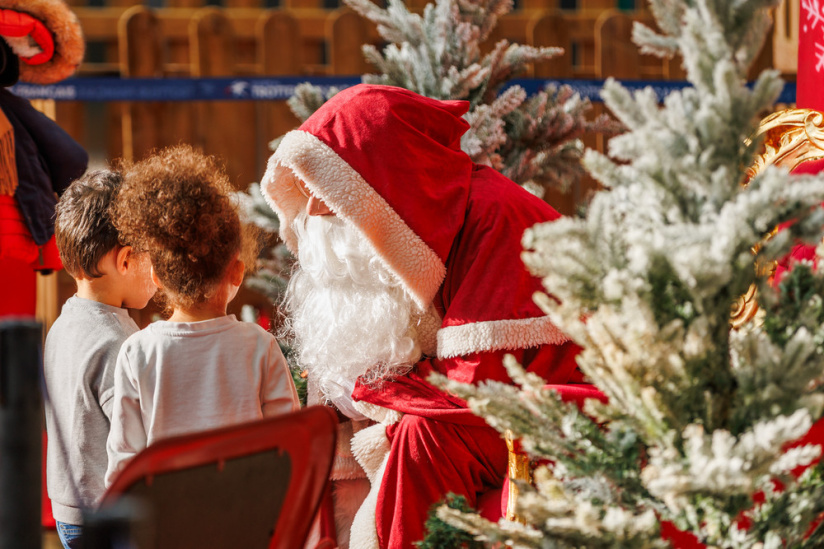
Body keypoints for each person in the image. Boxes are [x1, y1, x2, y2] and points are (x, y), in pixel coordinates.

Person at [261, 84, 581, 548]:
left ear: (375, 183)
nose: (312, 210)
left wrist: (379, 390)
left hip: (549, 400)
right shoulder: (409, 237)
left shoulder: (495, 216)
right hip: (495, 402)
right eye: (307, 192)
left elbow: (480, 384)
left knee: (426, 434)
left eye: (326, 189)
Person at [104, 145, 300, 487]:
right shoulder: (260, 346)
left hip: (168, 526)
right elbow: (291, 446)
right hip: (248, 522)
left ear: (157, 277)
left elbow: (123, 468)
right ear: (237, 272)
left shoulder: (138, 352)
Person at [44, 169, 157, 549]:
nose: (158, 273)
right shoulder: (119, 343)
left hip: (68, 510)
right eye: (152, 257)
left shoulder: (63, 323)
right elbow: (140, 446)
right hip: (106, 519)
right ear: (126, 260)